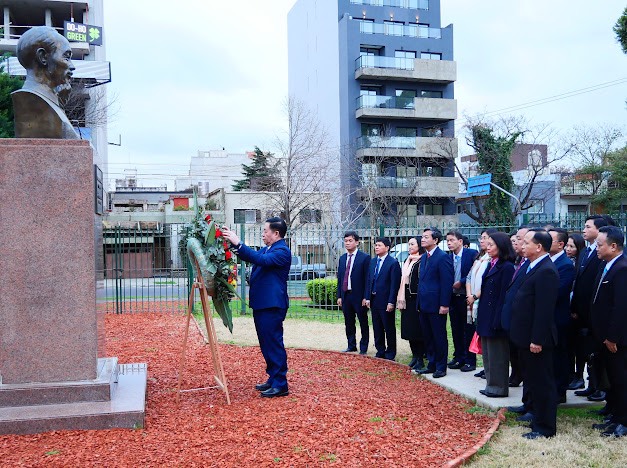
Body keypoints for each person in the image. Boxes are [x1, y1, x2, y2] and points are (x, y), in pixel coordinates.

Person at [222, 218, 292, 398]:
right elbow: (250, 256)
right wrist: (234, 245)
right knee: (266, 343)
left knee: (273, 343)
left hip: (272, 305)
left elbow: (259, 259)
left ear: (276, 233)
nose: (263, 233)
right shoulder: (268, 248)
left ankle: (280, 384)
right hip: (263, 304)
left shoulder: (282, 251)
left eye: (266, 231)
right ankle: (273, 378)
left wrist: (239, 242)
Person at [511, 230, 560, 439]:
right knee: (533, 381)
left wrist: (537, 339)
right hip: (525, 337)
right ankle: (536, 418)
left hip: (537, 340)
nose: (522, 245)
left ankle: (545, 427)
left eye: (527, 242)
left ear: (538, 247)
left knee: (543, 384)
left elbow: (544, 310)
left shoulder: (546, 271)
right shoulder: (532, 266)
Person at [590, 226, 627, 438]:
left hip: (617, 340)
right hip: (602, 337)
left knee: (621, 380)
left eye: (600, 245)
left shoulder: (622, 268)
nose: (596, 248)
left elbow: (621, 307)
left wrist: (613, 337)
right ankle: (614, 415)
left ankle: (623, 421)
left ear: (613, 246)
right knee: (612, 379)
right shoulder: (607, 265)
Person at [13, 26, 80, 139]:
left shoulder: (52, 100)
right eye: (66, 57)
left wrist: (59, 104)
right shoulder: (31, 100)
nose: (72, 67)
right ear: (43, 57)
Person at [571, 215, 608, 400]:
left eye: (588, 227)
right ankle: (591, 384)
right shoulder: (585, 252)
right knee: (585, 350)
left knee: (597, 351)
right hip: (581, 311)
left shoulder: (602, 254)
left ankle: (600, 387)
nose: (584, 230)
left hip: (593, 311)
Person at [476, 232, 515, 398]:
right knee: (488, 353)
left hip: (495, 316)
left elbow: (503, 296)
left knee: (497, 354)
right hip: (486, 313)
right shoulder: (492, 263)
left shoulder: (506, 267)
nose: (488, 247)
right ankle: (490, 384)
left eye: (492, 245)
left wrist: (498, 319)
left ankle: (499, 387)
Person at [417, 227, 454, 378]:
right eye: (422, 237)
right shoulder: (424, 257)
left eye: (426, 237)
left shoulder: (442, 257)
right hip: (424, 304)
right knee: (428, 336)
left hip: (437, 304)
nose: (423, 239)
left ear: (435, 240)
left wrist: (444, 304)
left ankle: (441, 366)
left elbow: (447, 282)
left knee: (438, 336)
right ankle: (431, 363)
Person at [548, 228, 576, 404]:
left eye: (549, 239)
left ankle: (560, 392)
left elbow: (557, 291)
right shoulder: (547, 261)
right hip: (547, 318)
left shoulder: (565, 264)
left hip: (558, 317)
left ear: (560, 244)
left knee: (559, 356)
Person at [466, 228, 497, 379]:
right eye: (481, 238)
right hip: (473, 299)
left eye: (485, 238)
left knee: (485, 336)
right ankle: (486, 367)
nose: (481, 241)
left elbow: (485, 284)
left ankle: (490, 369)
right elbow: (469, 277)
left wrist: (474, 296)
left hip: (481, 300)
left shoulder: (492, 260)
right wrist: (469, 295)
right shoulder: (480, 257)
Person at [446, 231, 478, 372]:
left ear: (460, 241)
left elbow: (474, 273)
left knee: (468, 329)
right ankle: (458, 356)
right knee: (455, 329)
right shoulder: (448, 257)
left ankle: (470, 359)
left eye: (452, 240)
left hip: (466, 297)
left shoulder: (471, 254)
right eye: (447, 241)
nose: (449, 243)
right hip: (453, 298)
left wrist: (462, 282)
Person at [364, 237, 401, 360]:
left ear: (387, 247)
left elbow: (394, 284)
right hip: (374, 300)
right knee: (377, 327)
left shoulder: (393, 263)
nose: (376, 247)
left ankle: (391, 352)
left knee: (388, 327)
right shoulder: (373, 262)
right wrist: (367, 297)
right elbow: (369, 280)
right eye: (376, 245)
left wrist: (391, 301)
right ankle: (380, 350)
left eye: (379, 245)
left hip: (386, 300)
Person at [336, 231, 370, 354]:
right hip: (346, 295)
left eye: (350, 241)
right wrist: (339, 295)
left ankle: (364, 347)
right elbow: (340, 278)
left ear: (357, 242)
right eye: (345, 241)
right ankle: (351, 345)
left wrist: (366, 297)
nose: (347, 243)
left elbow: (368, 279)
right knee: (348, 322)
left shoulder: (364, 258)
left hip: (359, 296)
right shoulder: (342, 258)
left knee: (363, 322)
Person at [395, 238, 425, 371]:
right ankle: (414, 356)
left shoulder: (422, 260)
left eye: (412, 244)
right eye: (409, 244)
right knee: (409, 330)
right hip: (406, 300)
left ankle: (420, 357)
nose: (410, 247)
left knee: (417, 331)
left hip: (416, 300)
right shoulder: (408, 260)